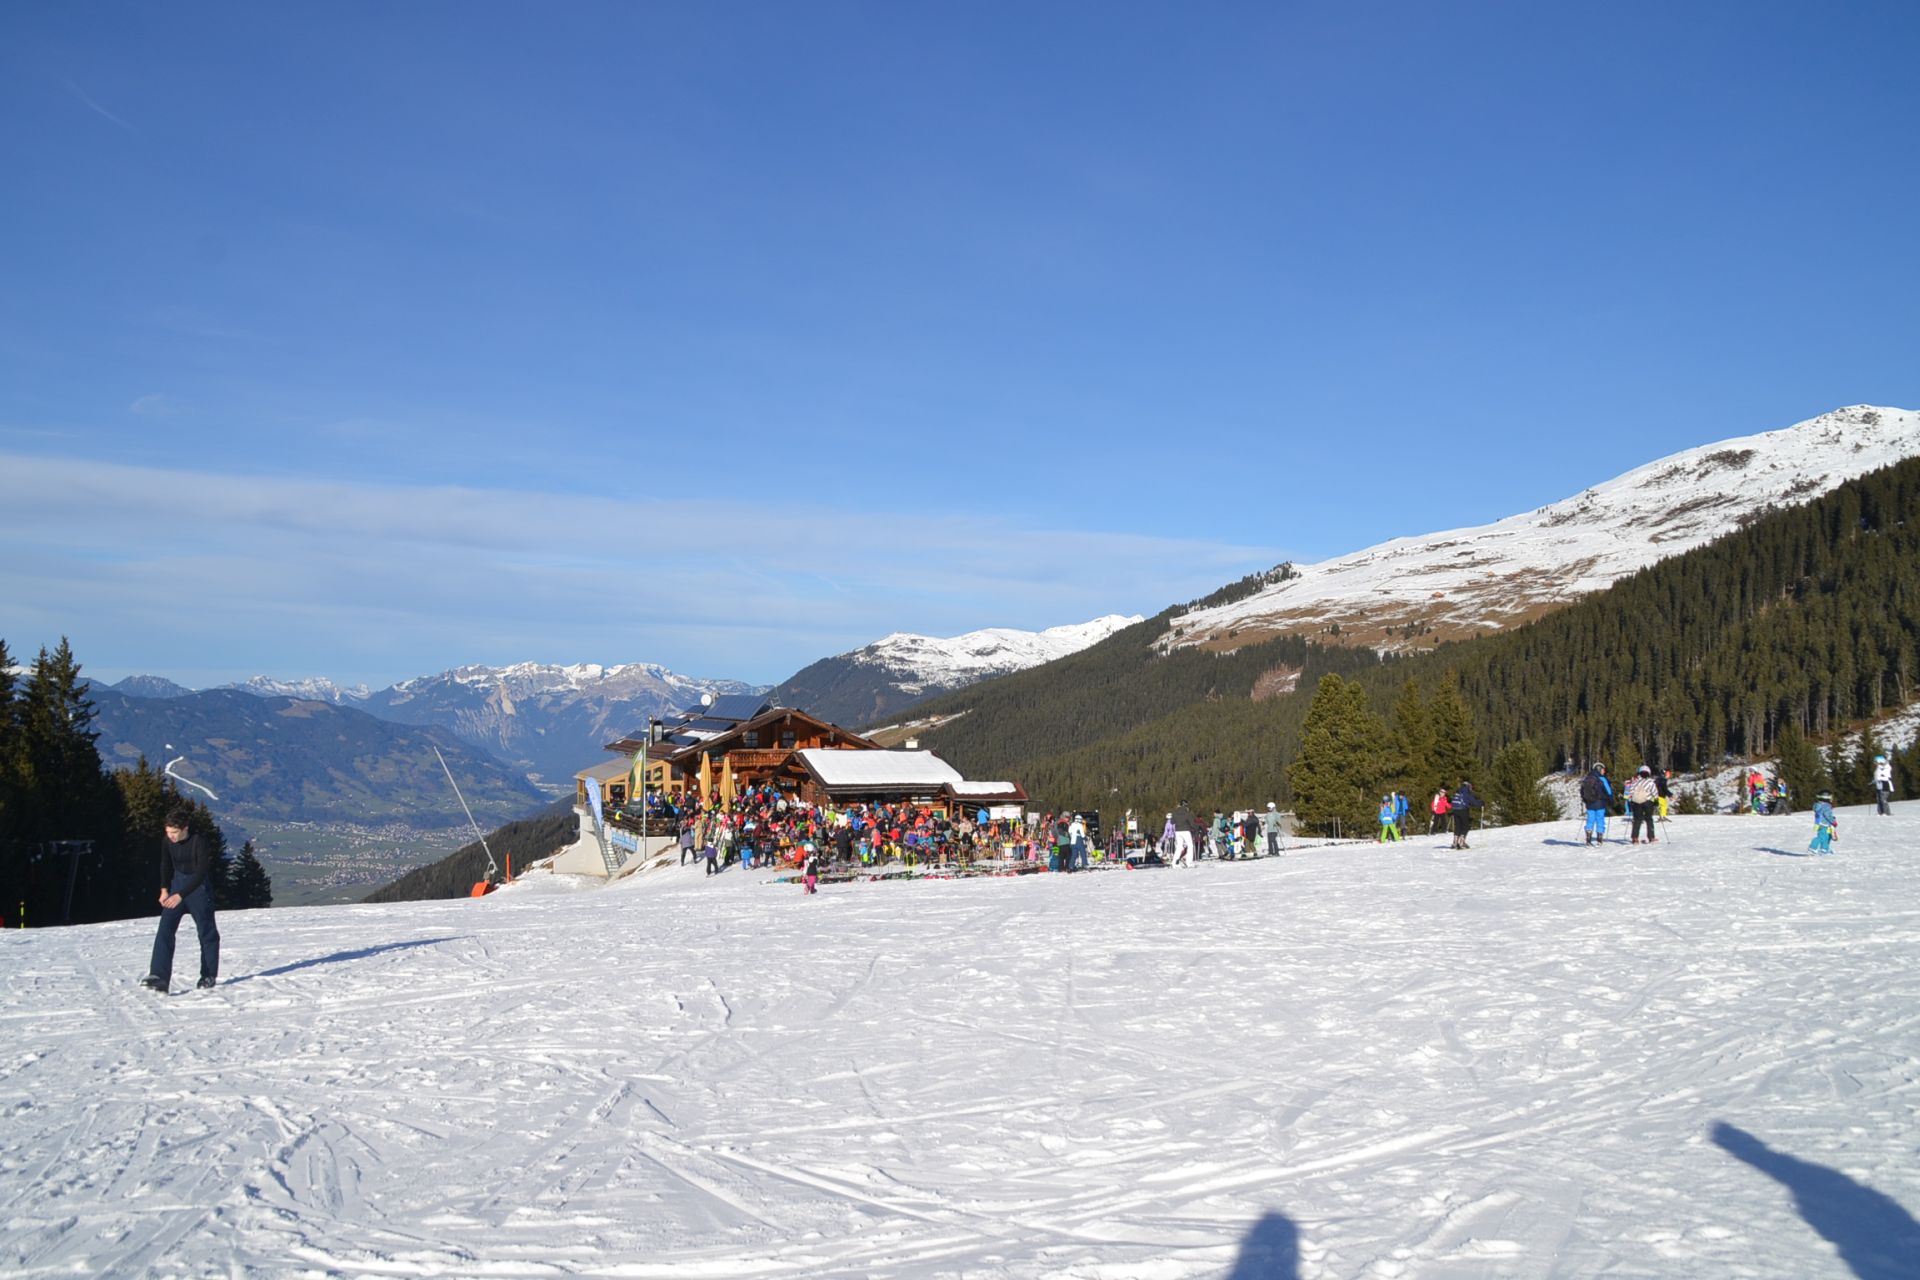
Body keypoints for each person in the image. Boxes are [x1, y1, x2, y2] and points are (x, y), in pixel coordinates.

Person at [142, 807, 220, 993]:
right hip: (177, 886)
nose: (171, 836)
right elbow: (165, 864)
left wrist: (181, 895)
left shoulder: (198, 842)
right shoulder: (167, 842)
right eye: (168, 832)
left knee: (206, 933)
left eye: (175, 832)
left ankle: (208, 975)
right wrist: (164, 890)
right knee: (165, 929)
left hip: (198, 889)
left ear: (185, 828)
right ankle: (159, 976)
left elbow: (201, 873)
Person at [1579, 764, 1612, 845]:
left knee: (1590, 820)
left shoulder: (1587, 778)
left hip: (1589, 803)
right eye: (1603, 769)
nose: (1604, 771)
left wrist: (1586, 801)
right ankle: (1599, 839)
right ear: (1599, 769)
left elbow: (1582, 791)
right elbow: (1609, 791)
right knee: (1600, 820)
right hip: (1600, 803)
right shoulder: (1602, 779)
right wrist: (1611, 800)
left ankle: (1588, 838)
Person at [1626, 767, 1660, 844]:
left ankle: (1635, 838)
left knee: (1637, 820)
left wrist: (1630, 802)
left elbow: (1629, 793)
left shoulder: (1635, 782)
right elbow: (1655, 793)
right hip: (1648, 802)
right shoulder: (1650, 782)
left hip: (1636, 803)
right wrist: (1656, 802)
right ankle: (1651, 837)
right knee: (1649, 819)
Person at [1450, 780, 1483, 850]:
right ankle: (1461, 842)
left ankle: (1455, 842)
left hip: (1455, 810)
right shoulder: (1466, 793)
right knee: (1465, 826)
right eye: (1470, 787)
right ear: (1468, 786)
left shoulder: (1458, 792)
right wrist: (1482, 803)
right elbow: (1475, 803)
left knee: (1458, 826)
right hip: (1463, 810)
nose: (1471, 788)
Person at [1810, 790, 1837, 855]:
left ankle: (1824, 849)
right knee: (1821, 837)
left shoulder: (1819, 805)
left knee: (1827, 836)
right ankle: (1812, 847)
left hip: (1819, 823)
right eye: (1831, 797)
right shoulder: (1826, 806)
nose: (1831, 799)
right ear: (1826, 798)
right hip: (1824, 824)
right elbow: (1827, 815)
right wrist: (1833, 821)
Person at [1170, 802, 1197, 867]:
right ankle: (1189, 862)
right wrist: (1196, 828)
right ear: (1185, 806)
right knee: (1190, 846)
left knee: (1179, 847)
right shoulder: (1187, 813)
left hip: (1177, 832)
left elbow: (1172, 822)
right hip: (1186, 831)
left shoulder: (1175, 812)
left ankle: (1174, 863)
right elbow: (1192, 823)